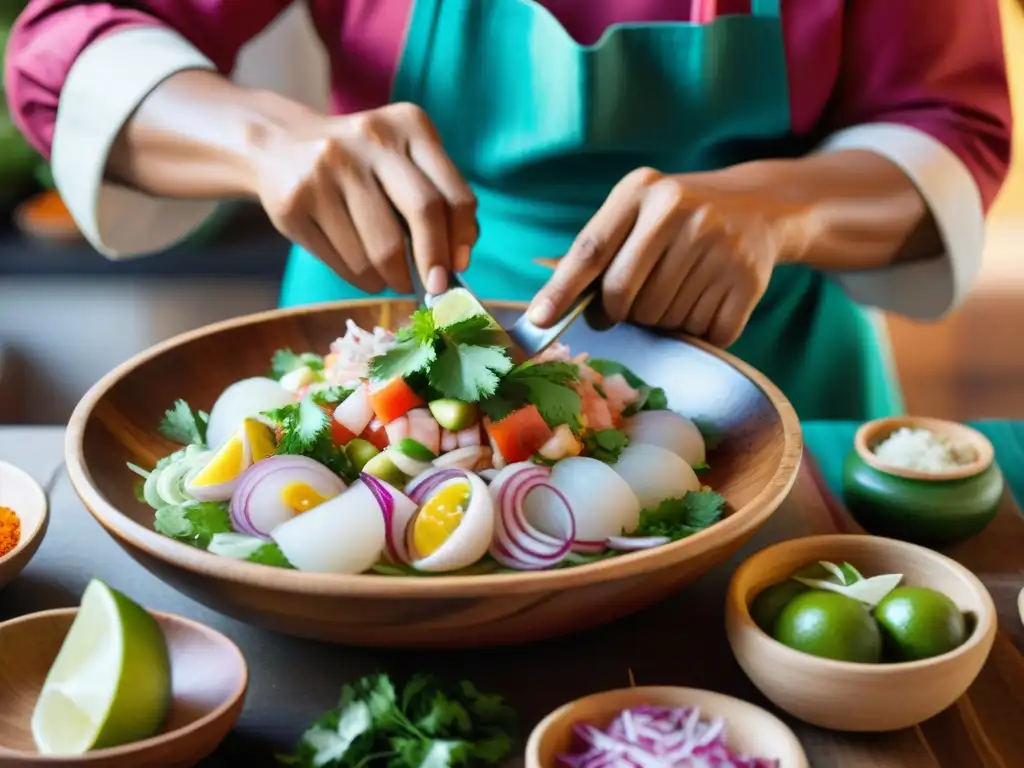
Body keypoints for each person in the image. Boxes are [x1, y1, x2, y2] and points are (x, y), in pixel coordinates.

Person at [5, 0, 1012, 421]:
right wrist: (267, 139)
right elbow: (65, 53)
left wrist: (778, 206)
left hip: (765, 379)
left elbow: (949, 124)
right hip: (377, 366)